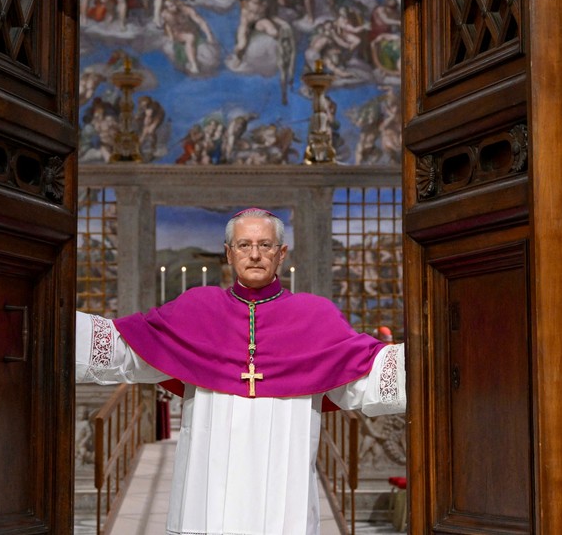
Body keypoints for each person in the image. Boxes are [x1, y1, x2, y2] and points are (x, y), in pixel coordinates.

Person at [76, 208, 406, 535]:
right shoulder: (196, 308)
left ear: (281, 253)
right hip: (208, 485)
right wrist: (62, 321)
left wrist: (417, 355)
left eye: (265, 245)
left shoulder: (316, 315)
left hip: (283, 491)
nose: (255, 254)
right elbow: (130, 347)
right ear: (229, 253)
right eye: (244, 245)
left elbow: (364, 372)